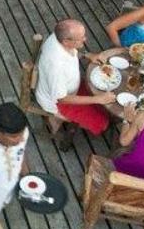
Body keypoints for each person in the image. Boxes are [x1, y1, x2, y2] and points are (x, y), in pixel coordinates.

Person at [33, 19, 113, 149]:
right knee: (103, 123)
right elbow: (62, 99)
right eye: (81, 38)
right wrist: (98, 99)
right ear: (66, 41)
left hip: (69, 87)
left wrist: (87, 55)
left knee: (104, 101)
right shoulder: (56, 66)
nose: (85, 39)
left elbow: (73, 51)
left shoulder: (57, 36)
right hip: (59, 103)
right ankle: (56, 124)